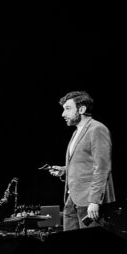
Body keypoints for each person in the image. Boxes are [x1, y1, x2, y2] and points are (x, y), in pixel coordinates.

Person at [46, 91, 115, 231]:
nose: (63, 114)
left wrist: (95, 201)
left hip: (89, 201)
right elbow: (85, 163)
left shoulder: (97, 129)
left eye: (68, 108)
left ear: (82, 109)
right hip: (72, 199)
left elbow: (102, 167)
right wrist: (64, 170)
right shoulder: (76, 132)